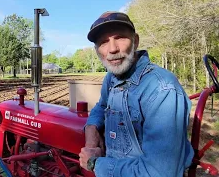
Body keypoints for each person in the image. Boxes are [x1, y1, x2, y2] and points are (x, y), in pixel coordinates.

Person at [78, 11, 194, 177]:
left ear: (136, 41)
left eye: (119, 38)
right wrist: (91, 129)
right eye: (104, 42)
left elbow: (160, 172)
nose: (112, 49)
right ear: (97, 51)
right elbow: (101, 106)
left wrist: (94, 163)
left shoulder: (160, 88)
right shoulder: (111, 78)